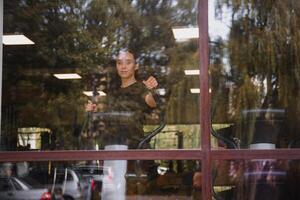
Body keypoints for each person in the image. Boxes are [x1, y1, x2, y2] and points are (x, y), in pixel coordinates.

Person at [86, 50, 158, 148]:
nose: (123, 67)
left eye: (128, 62)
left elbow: (154, 104)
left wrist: (152, 91)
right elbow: (105, 119)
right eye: (119, 63)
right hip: (111, 147)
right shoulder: (112, 93)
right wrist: (94, 111)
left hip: (132, 151)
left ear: (136, 66)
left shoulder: (142, 89)